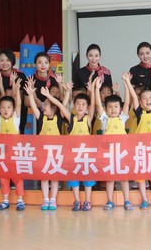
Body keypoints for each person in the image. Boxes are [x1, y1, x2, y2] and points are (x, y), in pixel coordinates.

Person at [46, 83, 96, 211]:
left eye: (83, 104)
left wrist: (92, 90)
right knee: (74, 179)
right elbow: (59, 105)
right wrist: (48, 96)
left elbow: (93, 104)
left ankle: (87, 201)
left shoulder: (88, 118)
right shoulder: (71, 118)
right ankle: (77, 200)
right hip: (73, 156)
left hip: (86, 155)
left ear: (87, 107)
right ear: (74, 105)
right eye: (78, 104)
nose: (80, 106)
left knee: (88, 179)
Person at [25, 77, 71, 211]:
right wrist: (30, 95)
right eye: (44, 104)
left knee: (54, 178)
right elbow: (34, 107)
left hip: (56, 153)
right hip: (43, 153)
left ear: (54, 108)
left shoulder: (59, 118)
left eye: (46, 105)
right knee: (44, 178)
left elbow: (62, 103)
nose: (43, 106)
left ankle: (53, 199)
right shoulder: (41, 118)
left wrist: (66, 91)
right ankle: (45, 199)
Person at [124, 70, 151, 209]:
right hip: (141, 149)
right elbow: (133, 96)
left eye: (150, 97)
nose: (148, 100)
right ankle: (144, 199)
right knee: (141, 176)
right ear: (140, 102)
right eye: (144, 98)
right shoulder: (139, 112)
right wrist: (128, 82)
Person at [94, 74, 133, 211]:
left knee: (124, 179)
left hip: (122, 153)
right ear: (106, 108)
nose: (113, 109)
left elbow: (127, 103)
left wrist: (127, 84)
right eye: (110, 107)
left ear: (120, 108)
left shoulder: (122, 118)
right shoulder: (104, 119)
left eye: (116, 106)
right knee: (110, 179)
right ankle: (110, 201)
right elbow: (98, 104)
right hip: (109, 153)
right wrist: (96, 89)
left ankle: (127, 201)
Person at [0, 72, 26, 211]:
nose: (5, 110)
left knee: (17, 178)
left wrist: (17, 89)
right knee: (3, 178)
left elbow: (19, 103)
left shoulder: (16, 118)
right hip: (2, 154)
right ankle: (5, 201)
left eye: (9, 107)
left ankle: (20, 200)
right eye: (3, 107)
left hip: (15, 154)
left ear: (13, 109)